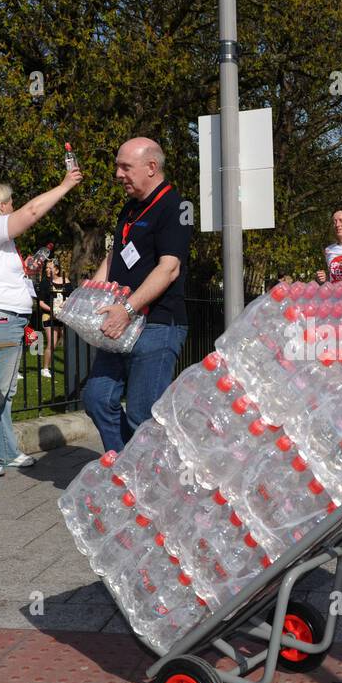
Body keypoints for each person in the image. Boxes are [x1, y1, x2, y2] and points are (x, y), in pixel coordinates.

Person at [0, 166, 81, 481]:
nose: (13, 206)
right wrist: (65, 185)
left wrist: (27, 268)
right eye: (9, 201)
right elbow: (32, 211)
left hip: (6, 317)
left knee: (6, 390)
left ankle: (4, 448)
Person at [82, 138, 192, 453]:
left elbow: (169, 268)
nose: (118, 174)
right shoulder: (130, 207)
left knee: (143, 415)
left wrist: (127, 309)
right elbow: (116, 253)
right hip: (122, 322)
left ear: (151, 167)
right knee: (97, 397)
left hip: (156, 324)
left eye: (125, 167)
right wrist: (92, 291)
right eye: (118, 166)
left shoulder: (176, 207)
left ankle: (140, 478)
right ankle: (128, 466)